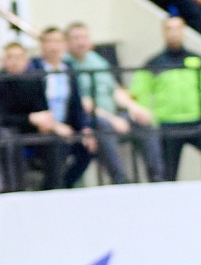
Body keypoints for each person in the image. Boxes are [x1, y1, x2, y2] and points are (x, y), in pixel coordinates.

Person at [67, 20, 163, 183]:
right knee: (102, 124)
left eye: (84, 37)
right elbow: (83, 103)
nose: (80, 42)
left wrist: (134, 108)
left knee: (143, 120)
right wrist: (113, 120)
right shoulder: (67, 65)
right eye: (76, 38)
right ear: (67, 42)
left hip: (114, 116)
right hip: (90, 120)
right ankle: (120, 180)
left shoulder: (97, 60)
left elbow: (114, 89)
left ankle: (157, 178)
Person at [130, 16, 201, 180]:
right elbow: (139, 92)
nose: (173, 33)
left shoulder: (196, 60)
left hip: (196, 122)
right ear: (163, 33)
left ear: (183, 31)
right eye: (169, 29)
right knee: (168, 173)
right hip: (167, 124)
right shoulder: (154, 63)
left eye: (177, 29)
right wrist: (146, 116)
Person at [0, 39, 67, 191]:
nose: (14, 61)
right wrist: (29, 119)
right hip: (5, 129)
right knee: (8, 138)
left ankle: (52, 189)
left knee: (55, 140)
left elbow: (42, 110)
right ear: (3, 60)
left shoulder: (34, 80)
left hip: (31, 128)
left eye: (19, 57)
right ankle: (15, 190)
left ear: (27, 61)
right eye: (10, 57)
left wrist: (48, 123)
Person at [34, 26, 92, 186]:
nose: (54, 46)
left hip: (67, 126)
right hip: (42, 128)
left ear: (64, 45)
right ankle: (52, 189)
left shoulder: (68, 69)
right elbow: (31, 105)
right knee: (57, 145)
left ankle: (66, 185)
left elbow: (76, 103)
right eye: (49, 41)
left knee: (89, 145)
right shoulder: (33, 69)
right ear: (41, 45)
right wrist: (54, 125)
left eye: (58, 42)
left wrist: (85, 127)